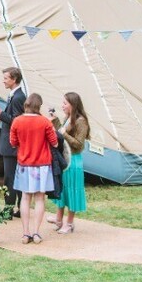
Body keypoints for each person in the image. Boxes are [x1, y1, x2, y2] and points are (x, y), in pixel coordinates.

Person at [10, 93, 58, 244]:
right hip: (42, 165)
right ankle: (36, 233)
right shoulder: (45, 122)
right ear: (39, 106)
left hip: (24, 164)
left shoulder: (17, 121)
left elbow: (12, 142)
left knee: (25, 198)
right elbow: (55, 143)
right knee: (39, 198)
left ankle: (25, 233)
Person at [0, 67, 26, 216]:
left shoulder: (18, 97)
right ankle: (18, 207)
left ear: (14, 79)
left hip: (12, 145)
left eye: (6, 78)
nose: (3, 80)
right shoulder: (14, 96)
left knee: (10, 177)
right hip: (11, 144)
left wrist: (0, 113)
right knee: (13, 176)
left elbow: (17, 121)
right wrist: (2, 116)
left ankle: (9, 209)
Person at [53, 92, 90, 234]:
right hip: (65, 159)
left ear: (73, 105)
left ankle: (69, 223)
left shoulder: (81, 121)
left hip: (74, 161)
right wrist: (56, 122)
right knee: (63, 190)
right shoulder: (67, 118)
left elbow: (79, 145)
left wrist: (64, 134)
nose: (62, 106)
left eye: (64, 103)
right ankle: (58, 219)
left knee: (72, 190)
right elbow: (61, 134)